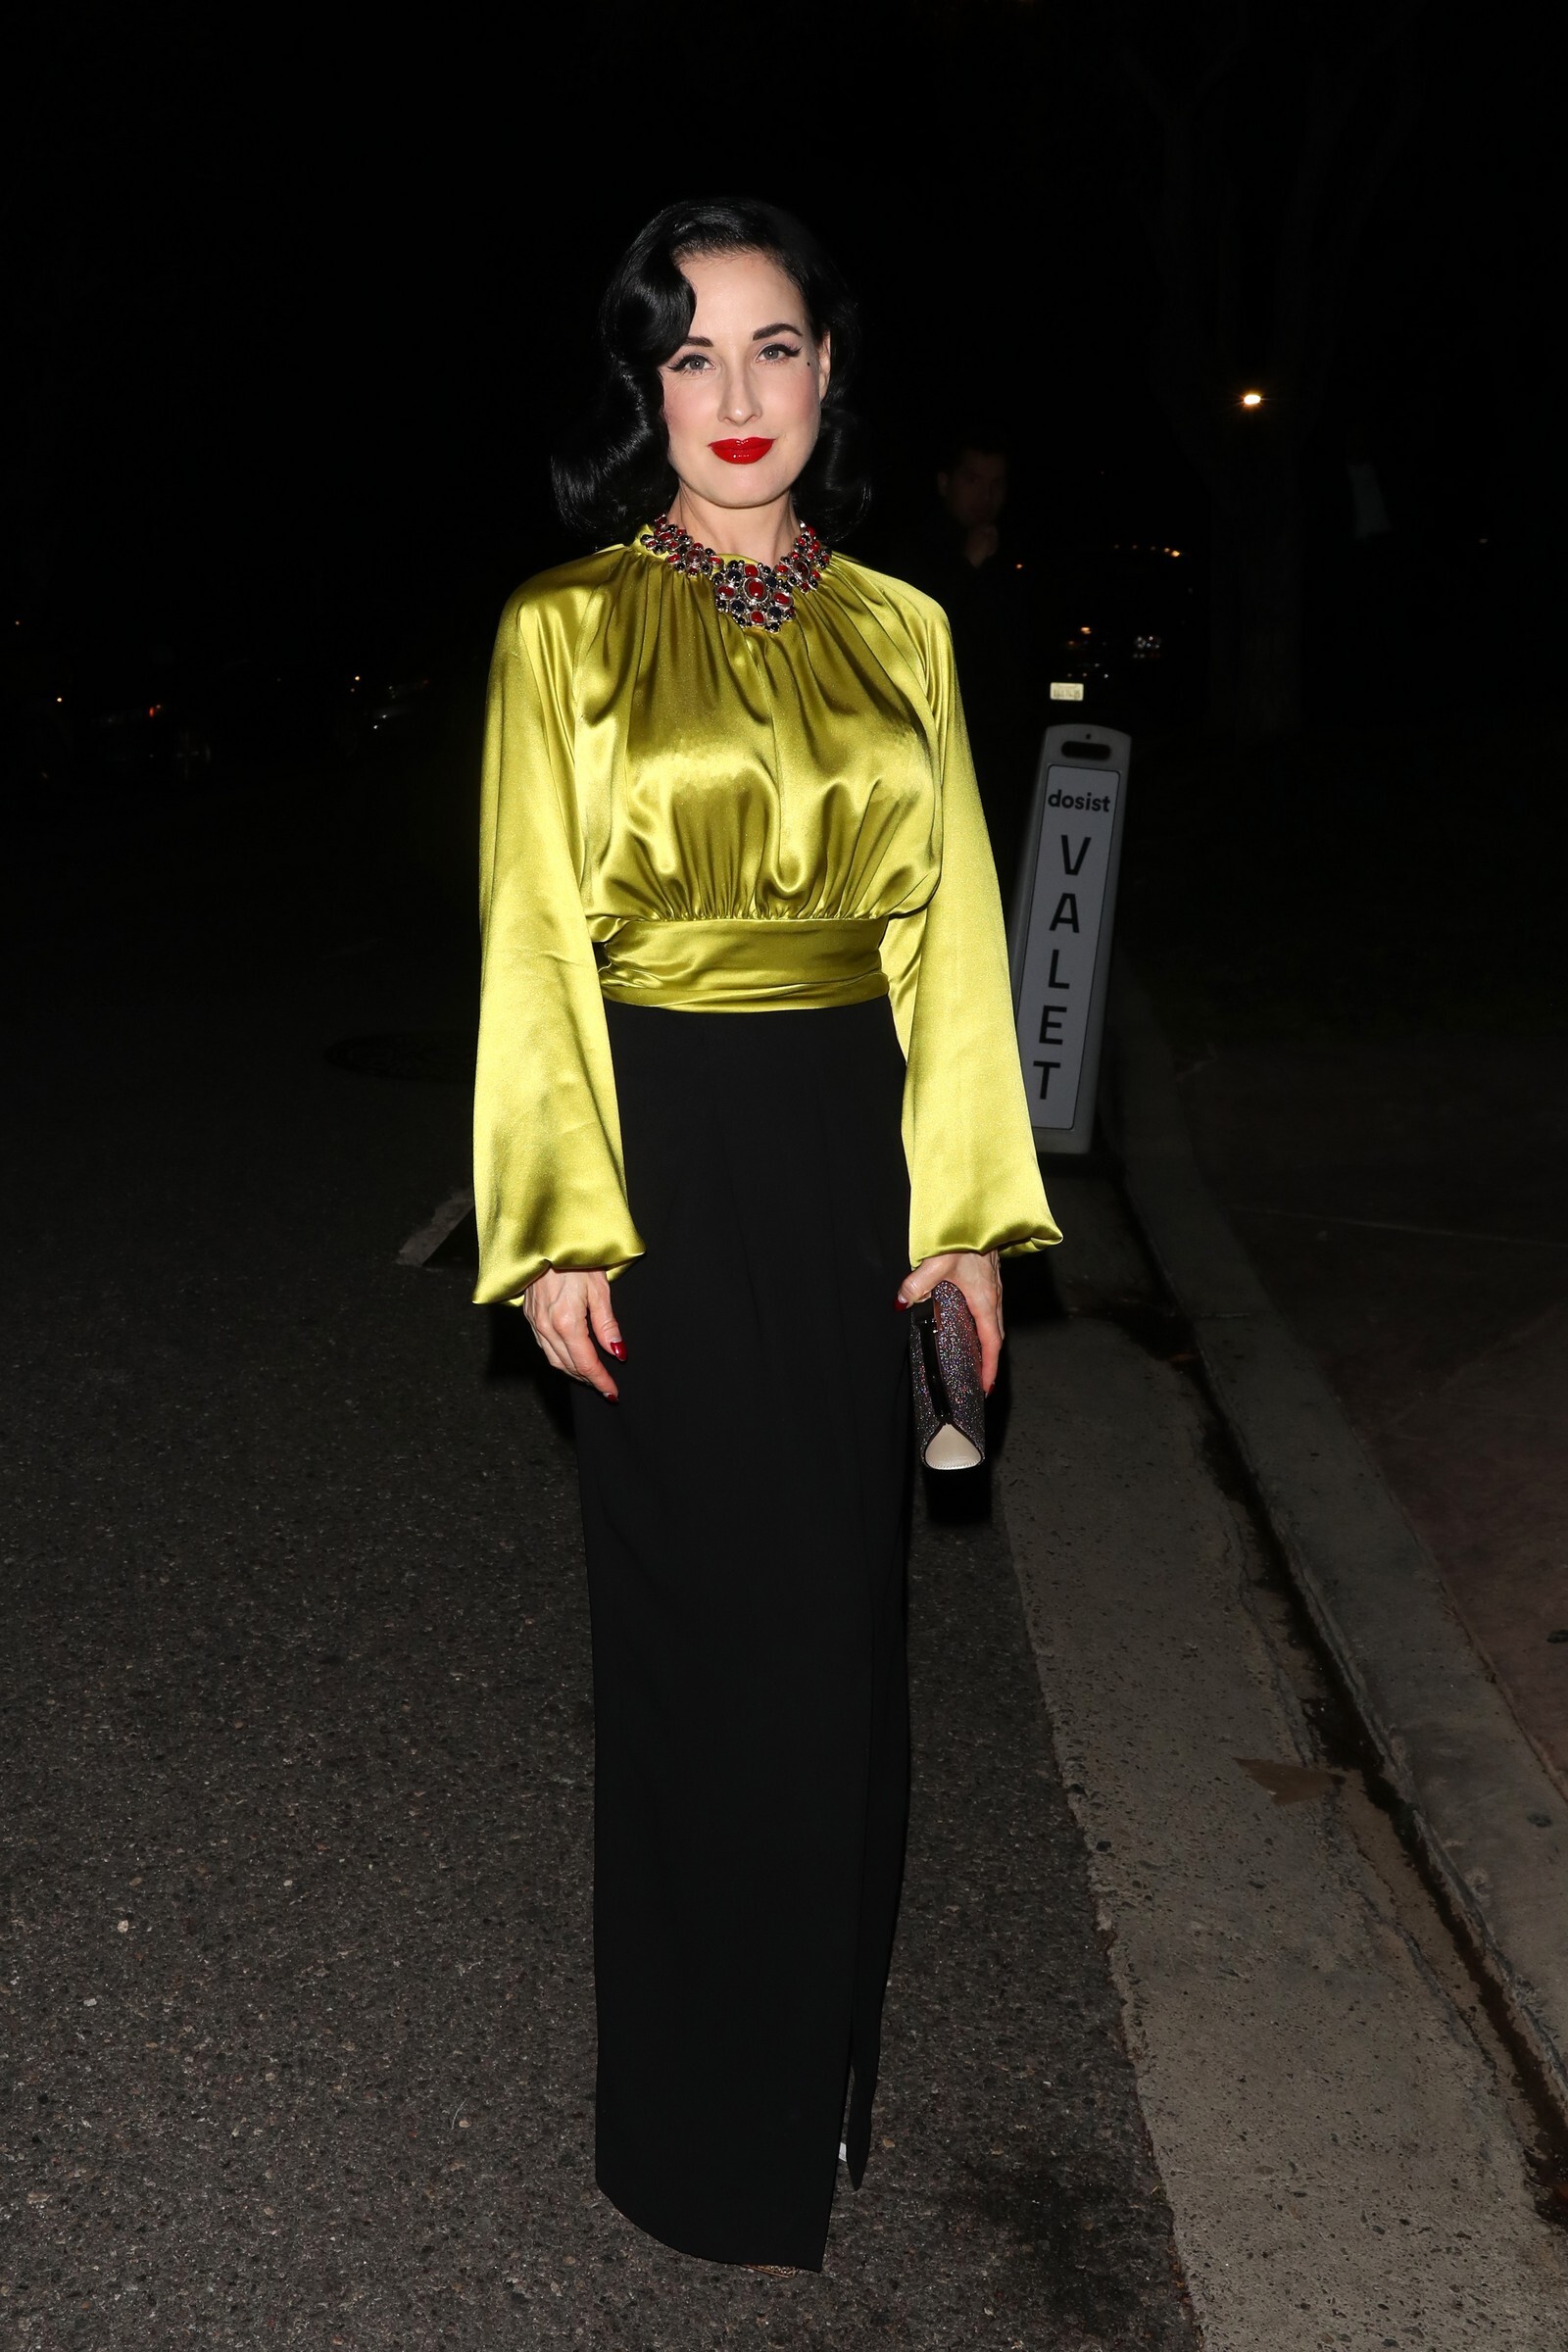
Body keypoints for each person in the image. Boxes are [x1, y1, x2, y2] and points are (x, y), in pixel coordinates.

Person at [471, 198, 1059, 2275]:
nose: (737, 396)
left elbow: (954, 939)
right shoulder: (561, 628)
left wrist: (969, 1222)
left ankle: (812, 2080)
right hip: (653, 1155)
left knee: (842, 1646)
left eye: (775, 347)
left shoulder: (902, 628)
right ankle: (696, 2129)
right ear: (643, 389)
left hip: (852, 1162)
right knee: (697, 1652)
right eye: (691, 354)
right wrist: (558, 1220)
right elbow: (530, 934)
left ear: (828, 371)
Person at [887, 434, 1044, 914]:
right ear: (945, 482)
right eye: (973, 480)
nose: (985, 495)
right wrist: (967, 564)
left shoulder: (1012, 550)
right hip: (941, 742)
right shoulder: (915, 549)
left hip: (1003, 745)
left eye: (997, 484)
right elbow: (912, 635)